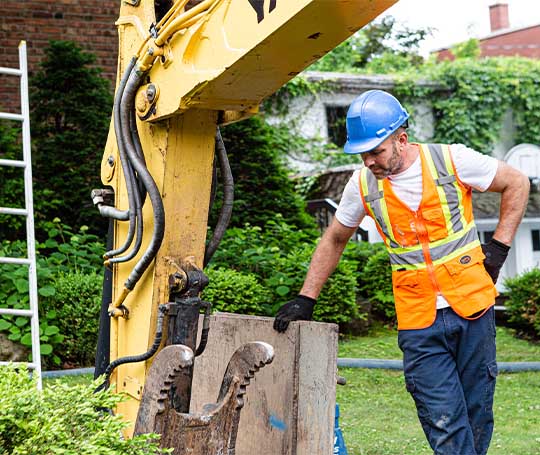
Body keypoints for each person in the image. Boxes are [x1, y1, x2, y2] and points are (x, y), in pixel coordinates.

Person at [273, 90, 530, 455]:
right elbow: (334, 238)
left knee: (476, 415)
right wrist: (305, 297)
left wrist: (499, 249)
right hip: (419, 320)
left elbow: (517, 182)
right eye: (362, 153)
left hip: (472, 308)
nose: (369, 161)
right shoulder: (361, 184)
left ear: (402, 139)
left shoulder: (451, 159)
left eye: (376, 151)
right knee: (442, 419)